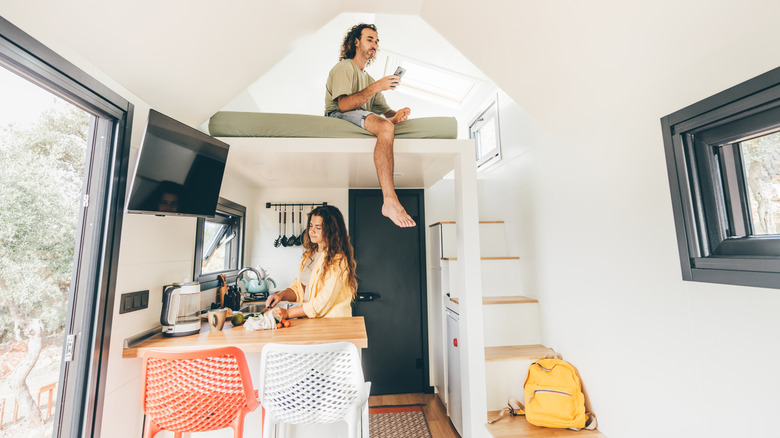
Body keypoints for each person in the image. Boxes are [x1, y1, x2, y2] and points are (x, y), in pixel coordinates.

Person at [324, 23, 415, 228]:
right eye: (369, 39)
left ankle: (390, 201)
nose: (374, 44)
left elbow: (386, 112)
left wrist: (398, 115)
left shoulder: (369, 78)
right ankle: (390, 200)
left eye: (376, 41)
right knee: (385, 127)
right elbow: (344, 105)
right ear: (356, 42)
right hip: (338, 115)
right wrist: (378, 86)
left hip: (361, 115)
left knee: (386, 124)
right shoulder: (344, 67)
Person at [264, 205, 358, 319]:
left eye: (318, 227)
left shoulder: (338, 260)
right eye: (310, 226)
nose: (311, 231)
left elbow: (322, 301)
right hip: (313, 323)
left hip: (333, 324)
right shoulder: (310, 255)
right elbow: (300, 288)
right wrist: (281, 295)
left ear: (331, 230)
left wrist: (288, 313)